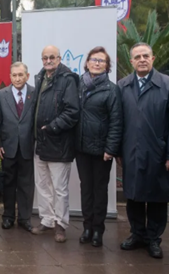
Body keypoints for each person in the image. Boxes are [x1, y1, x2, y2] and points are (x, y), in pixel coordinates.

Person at [118, 43, 169, 259]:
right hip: (131, 151)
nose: (142, 59)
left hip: (159, 153)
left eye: (145, 55)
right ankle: (137, 234)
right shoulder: (122, 86)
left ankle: (153, 239)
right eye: (137, 56)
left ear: (153, 58)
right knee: (134, 196)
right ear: (131, 61)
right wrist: (117, 150)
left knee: (158, 198)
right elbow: (117, 121)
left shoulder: (166, 85)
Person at [32, 45, 79, 243]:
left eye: (52, 57)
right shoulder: (40, 77)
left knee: (59, 188)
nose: (48, 60)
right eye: (45, 57)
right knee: (42, 185)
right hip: (40, 143)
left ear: (59, 59)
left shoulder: (67, 80)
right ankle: (47, 220)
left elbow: (72, 111)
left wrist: (52, 127)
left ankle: (61, 224)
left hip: (58, 142)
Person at [75, 47, 122, 247]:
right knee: (85, 189)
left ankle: (97, 230)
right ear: (86, 63)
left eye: (101, 61)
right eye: (93, 59)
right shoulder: (78, 85)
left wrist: (110, 149)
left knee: (99, 190)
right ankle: (86, 227)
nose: (96, 63)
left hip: (102, 150)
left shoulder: (112, 89)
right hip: (81, 148)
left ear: (106, 66)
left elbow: (116, 121)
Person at [0, 62, 36, 233]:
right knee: (9, 183)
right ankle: (8, 216)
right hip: (8, 147)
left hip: (28, 146)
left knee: (26, 184)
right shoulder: (0, 95)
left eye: (21, 75)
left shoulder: (35, 94)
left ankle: (24, 218)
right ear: (10, 76)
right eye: (14, 75)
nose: (18, 78)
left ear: (27, 76)